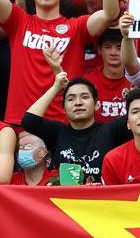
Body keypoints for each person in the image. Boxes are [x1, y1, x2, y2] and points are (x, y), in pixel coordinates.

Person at [21, 48, 130, 185]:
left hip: (102, 201)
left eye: (84, 97)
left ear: (97, 105)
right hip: (64, 202)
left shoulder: (111, 130)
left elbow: (137, 117)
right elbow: (29, 121)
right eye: (71, 99)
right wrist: (56, 87)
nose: (78, 103)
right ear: (64, 108)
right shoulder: (57, 132)